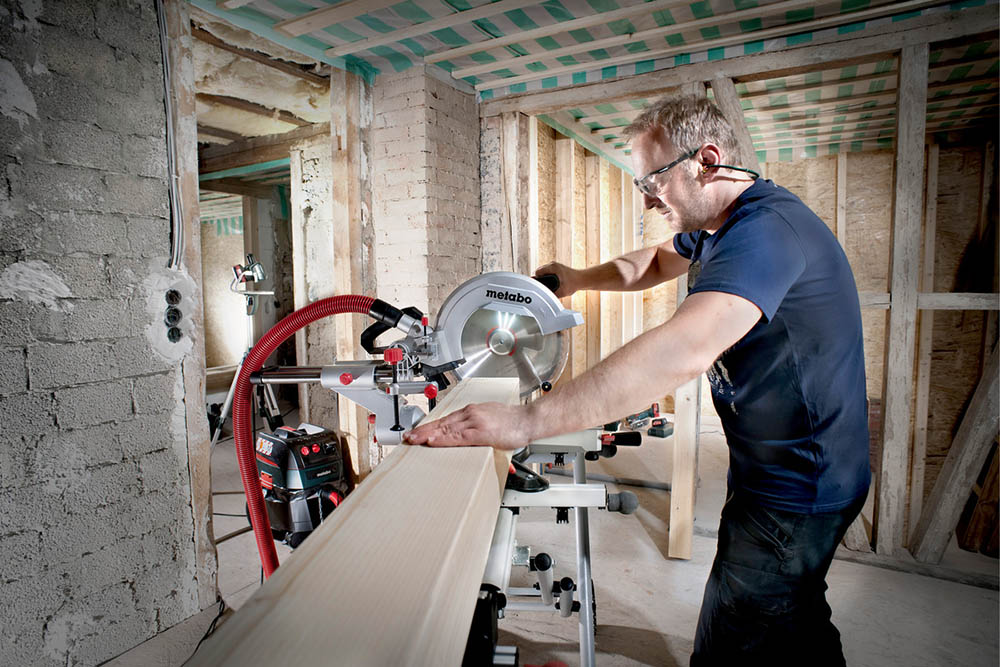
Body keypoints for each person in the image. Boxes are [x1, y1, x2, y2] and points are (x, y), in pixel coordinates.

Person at [406, 95, 870, 666]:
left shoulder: (767, 232)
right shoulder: (718, 226)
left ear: (706, 161)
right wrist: (576, 279)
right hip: (781, 468)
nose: (647, 199)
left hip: (799, 485)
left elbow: (683, 349)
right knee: (796, 616)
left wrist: (526, 421)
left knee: (732, 640)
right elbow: (652, 262)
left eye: (654, 181)